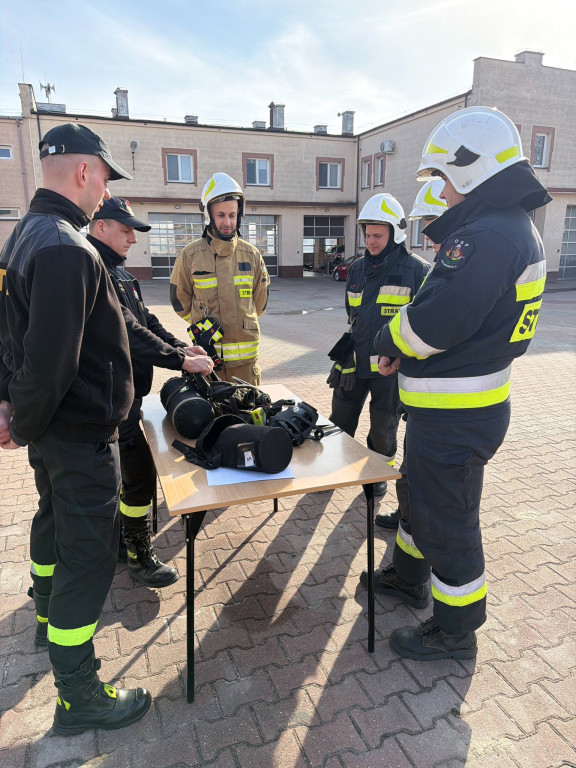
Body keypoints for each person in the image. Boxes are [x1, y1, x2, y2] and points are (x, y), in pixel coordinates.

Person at [364, 106, 550, 660]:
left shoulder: (488, 235)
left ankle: (455, 627)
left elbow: (439, 318)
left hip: (456, 418)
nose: (440, 193)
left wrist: (390, 342)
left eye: (443, 178)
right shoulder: (501, 229)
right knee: (420, 501)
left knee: (448, 519)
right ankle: (408, 576)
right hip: (448, 412)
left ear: (470, 171)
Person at [0, 123, 153, 734]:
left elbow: (10, 335)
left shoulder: (25, 235)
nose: (104, 196)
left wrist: (13, 411)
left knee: (53, 522)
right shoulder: (66, 245)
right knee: (88, 557)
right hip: (79, 433)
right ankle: (79, 694)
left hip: (52, 431)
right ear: (85, 172)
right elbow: (51, 360)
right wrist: (19, 422)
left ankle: (44, 619)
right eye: (105, 180)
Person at [87, 197, 214, 587]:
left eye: (134, 231)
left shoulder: (120, 273)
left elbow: (147, 320)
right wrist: (179, 362)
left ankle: (122, 545)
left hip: (127, 396)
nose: (132, 239)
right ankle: (137, 552)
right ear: (100, 227)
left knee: (132, 474)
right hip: (107, 399)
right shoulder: (93, 271)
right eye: (125, 230)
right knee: (137, 475)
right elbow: (126, 330)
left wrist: (182, 348)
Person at [328, 193, 429, 498]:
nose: (370, 241)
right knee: (339, 421)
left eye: (378, 235)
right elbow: (352, 312)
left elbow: (423, 323)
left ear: (395, 233)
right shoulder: (358, 269)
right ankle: (330, 472)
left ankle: (376, 476)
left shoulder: (416, 270)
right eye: (368, 235)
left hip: (390, 371)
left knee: (383, 428)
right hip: (354, 365)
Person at [374, 180, 447, 531]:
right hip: (424, 394)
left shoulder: (440, 269)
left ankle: (414, 556)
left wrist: (390, 347)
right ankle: (407, 522)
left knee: (430, 479)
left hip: (446, 404)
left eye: (433, 225)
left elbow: (424, 325)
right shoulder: (449, 265)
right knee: (413, 467)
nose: (430, 236)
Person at [169, 172, 270, 386]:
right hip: (208, 361)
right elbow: (180, 301)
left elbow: (260, 303)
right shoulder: (190, 256)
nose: (227, 222)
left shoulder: (252, 255)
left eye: (232, 215)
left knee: (247, 417)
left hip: (246, 366)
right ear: (209, 216)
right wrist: (199, 323)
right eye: (221, 215)